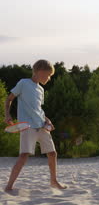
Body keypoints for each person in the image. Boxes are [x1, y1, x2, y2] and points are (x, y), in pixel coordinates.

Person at [4, 59, 67, 191]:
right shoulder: (23, 83)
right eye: (48, 75)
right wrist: (7, 115)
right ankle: (9, 186)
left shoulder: (41, 90)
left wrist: (47, 120)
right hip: (28, 126)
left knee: (52, 153)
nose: (49, 78)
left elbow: (38, 110)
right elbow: (9, 99)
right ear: (40, 71)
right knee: (24, 155)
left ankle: (54, 181)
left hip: (42, 126)